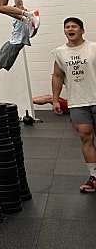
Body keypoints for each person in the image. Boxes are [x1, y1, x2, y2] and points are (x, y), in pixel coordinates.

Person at [50, 17, 96, 192]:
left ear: (82, 30)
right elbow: (57, 76)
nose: (70, 29)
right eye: (67, 27)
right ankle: (94, 177)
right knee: (86, 137)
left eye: (74, 26)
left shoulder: (93, 48)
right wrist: (55, 99)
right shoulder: (60, 53)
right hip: (77, 101)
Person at [0, 0, 33, 71]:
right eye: (23, 9)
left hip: (10, 44)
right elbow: (19, 5)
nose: (25, 10)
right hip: (13, 46)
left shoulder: (19, 20)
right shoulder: (22, 19)